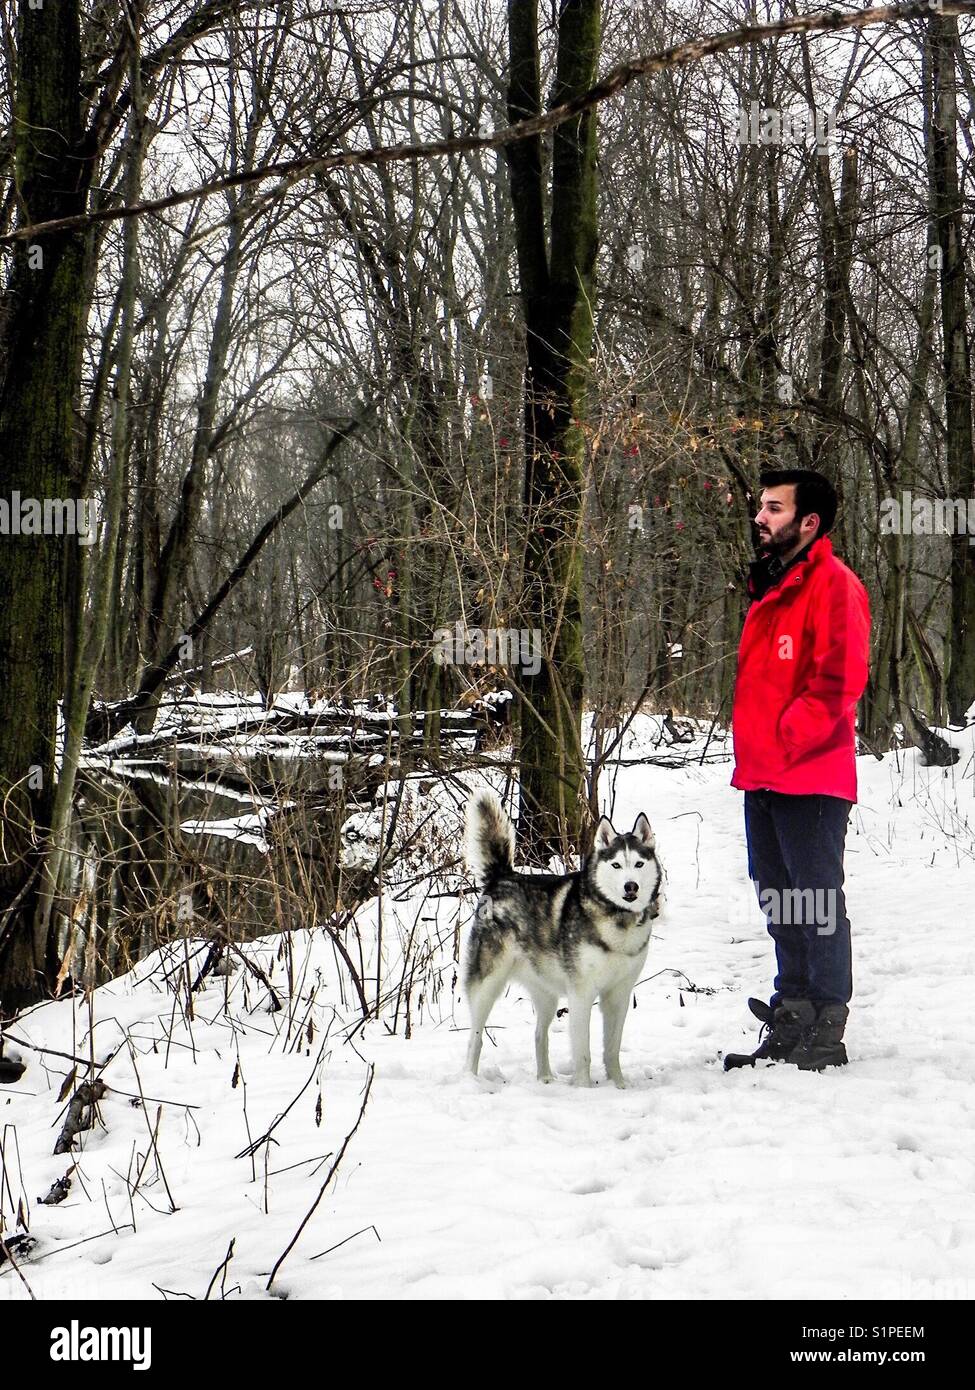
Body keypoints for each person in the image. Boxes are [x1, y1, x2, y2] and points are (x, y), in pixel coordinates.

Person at [724, 468, 870, 1072]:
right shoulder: (771, 586)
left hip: (809, 776)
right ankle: (794, 1012)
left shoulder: (834, 586)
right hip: (762, 775)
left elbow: (838, 683)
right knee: (780, 898)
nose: (760, 517)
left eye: (774, 508)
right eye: (761, 506)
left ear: (809, 522)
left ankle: (828, 1024)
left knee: (815, 900)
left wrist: (786, 740)